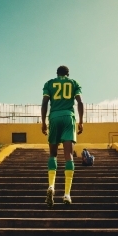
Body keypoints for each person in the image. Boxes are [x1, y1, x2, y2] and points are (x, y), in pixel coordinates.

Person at [41, 65, 84, 207]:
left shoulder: (49, 83)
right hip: (68, 117)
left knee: (53, 154)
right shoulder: (73, 83)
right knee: (68, 156)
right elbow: (80, 102)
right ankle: (67, 194)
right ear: (68, 74)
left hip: (54, 117)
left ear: (57, 73)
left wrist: (43, 122)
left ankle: (51, 186)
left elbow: (45, 103)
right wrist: (81, 122)